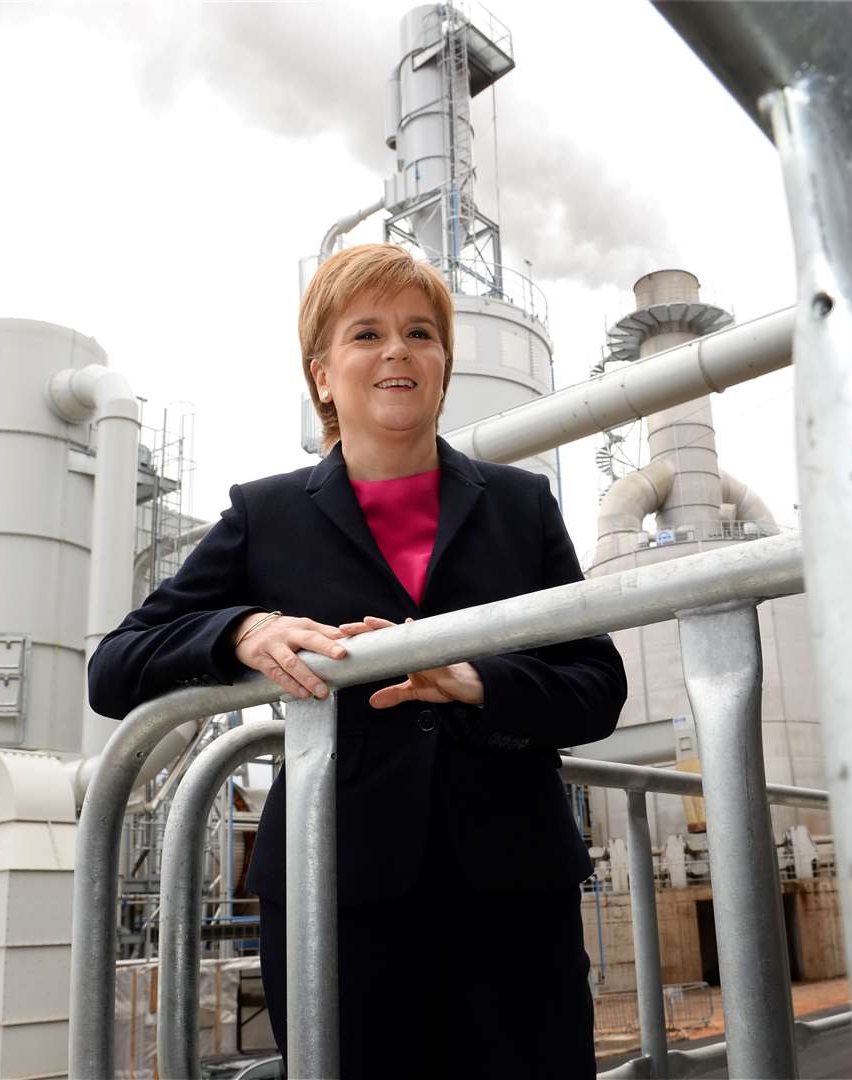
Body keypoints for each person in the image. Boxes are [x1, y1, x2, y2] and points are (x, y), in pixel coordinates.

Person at [88, 243, 627, 1079]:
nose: (397, 351)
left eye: (419, 333)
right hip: (333, 893)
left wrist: (476, 681)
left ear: (443, 366)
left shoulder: (521, 508)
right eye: (365, 334)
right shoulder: (264, 517)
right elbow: (114, 668)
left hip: (512, 888)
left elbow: (598, 687)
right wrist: (240, 629)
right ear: (322, 376)